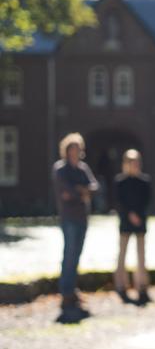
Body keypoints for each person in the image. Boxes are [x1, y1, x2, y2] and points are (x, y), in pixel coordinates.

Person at [52, 133, 98, 324]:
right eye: (72, 149)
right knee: (69, 253)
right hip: (69, 218)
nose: (75, 153)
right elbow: (65, 191)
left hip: (82, 217)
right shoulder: (60, 169)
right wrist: (82, 191)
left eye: (78, 149)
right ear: (66, 150)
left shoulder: (83, 168)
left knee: (77, 254)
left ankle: (72, 289)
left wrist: (80, 191)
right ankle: (66, 292)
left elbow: (94, 186)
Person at [113, 149, 152, 306]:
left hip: (140, 221)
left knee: (141, 255)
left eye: (136, 162)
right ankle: (120, 285)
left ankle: (141, 285)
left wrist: (137, 216)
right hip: (125, 221)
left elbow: (146, 201)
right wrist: (129, 214)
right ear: (125, 164)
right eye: (130, 162)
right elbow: (118, 201)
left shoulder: (145, 181)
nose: (134, 165)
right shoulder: (120, 181)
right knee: (122, 253)